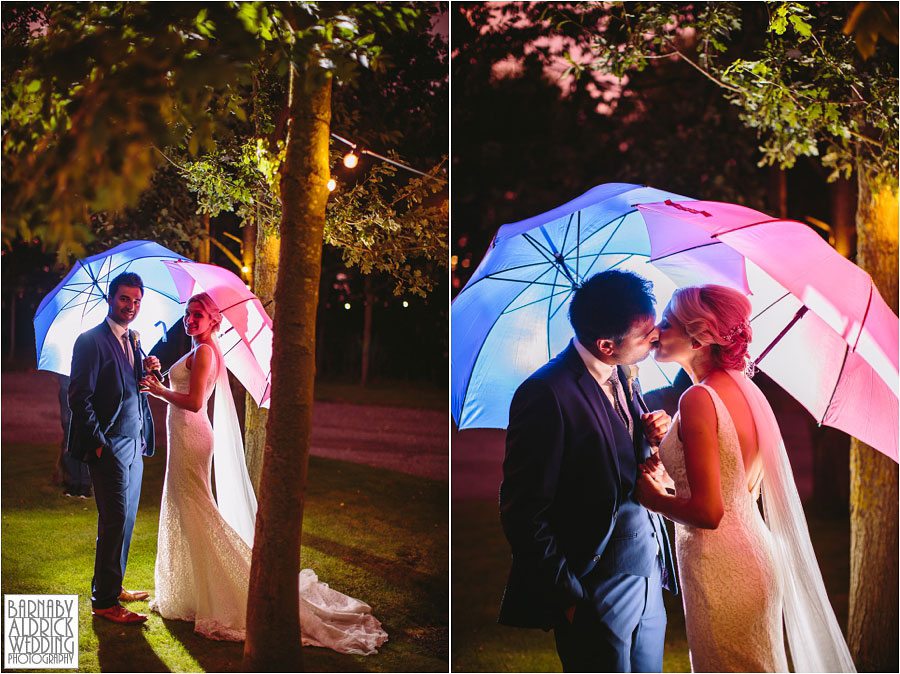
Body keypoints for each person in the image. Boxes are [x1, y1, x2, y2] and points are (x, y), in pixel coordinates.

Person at [141, 292, 388, 654]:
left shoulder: (206, 351)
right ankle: (193, 588)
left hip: (192, 437)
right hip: (183, 438)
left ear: (213, 321)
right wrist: (155, 372)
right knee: (184, 508)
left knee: (195, 509)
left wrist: (160, 391)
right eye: (188, 314)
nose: (190, 320)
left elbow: (194, 402)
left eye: (198, 315)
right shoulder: (198, 350)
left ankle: (232, 583)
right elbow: (180, 386)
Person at [638, 284, 855, 672]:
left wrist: (650, 496)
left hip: (719, 564)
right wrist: (670, 445)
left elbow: (709, 511)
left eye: (667, 322)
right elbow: (730, 485)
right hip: (753, 551)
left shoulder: (698, 399)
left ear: (699, 336)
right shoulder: (742, 390)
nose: (657, 330)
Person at [498, 270, 678, 673]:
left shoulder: (626, 375)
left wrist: (650, 439)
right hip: (595, 587)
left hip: (648, 573)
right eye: (645, 333)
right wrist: (570, 598)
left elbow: (616, 463)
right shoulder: (546, 393)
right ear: (606, 345)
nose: (656, 338)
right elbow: (523, 510)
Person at [67, 272, 154, 625]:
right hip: (109, 446)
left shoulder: (134, 340)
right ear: (111, 298)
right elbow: (79, 397)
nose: (131, 306)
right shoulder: (90, 341)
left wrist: (149, 368)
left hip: (135, 442)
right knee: (114, 519)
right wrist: (100, 447)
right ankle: (104, 602)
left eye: (136, 301)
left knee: (127, 520)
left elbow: (131, 387)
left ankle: (112, 585)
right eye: (124, 299)